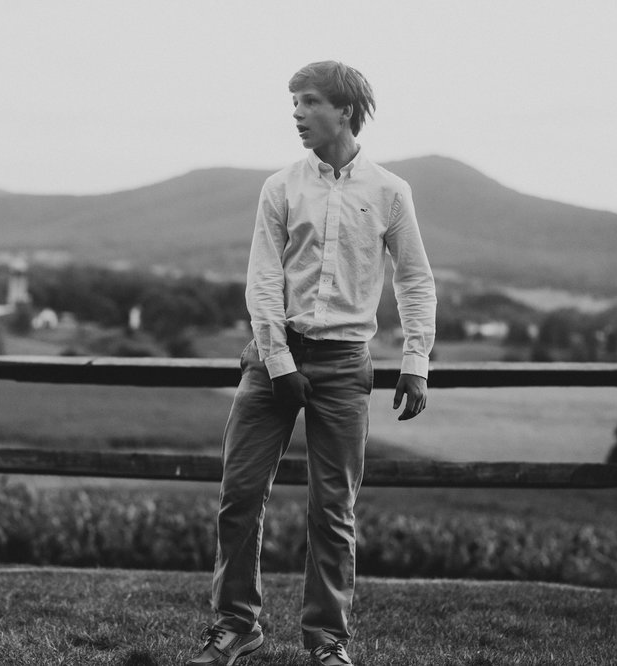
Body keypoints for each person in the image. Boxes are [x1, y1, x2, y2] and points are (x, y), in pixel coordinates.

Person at [187, 61, 436, 666]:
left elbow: (414, 280)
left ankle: (326, 639)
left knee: (334, 507)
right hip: (275, 358)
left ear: (345, 110)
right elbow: (263, 281)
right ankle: (236, 625)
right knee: (240, 494)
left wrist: (415, 360)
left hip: (347, 363)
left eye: (308, 101)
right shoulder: (280, 188)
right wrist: (276, 361)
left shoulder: (389, 191)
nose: (296, 113)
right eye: (293, 102)